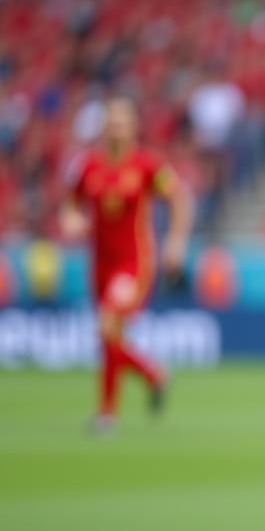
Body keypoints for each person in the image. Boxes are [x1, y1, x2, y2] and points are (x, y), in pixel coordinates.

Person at [62, 96, 193, 431]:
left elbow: (179, 199)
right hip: (100, 264)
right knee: (110, 336)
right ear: (104, 125)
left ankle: (107, 414)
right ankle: (153, 374)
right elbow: (71, 205)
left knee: (108, 324)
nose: (116, 127)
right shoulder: (89, 165)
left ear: (134, 126)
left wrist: (176, 243)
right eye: (111, 120)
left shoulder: (147, 165)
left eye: (122, 121)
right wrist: (71, 220)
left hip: (134, 261)